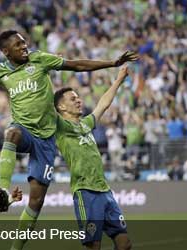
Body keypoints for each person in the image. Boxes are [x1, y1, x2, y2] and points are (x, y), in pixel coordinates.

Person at [0, 30, 138, 250]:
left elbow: (76, 65)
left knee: (36, 202)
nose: (24, 46)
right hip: (25, 130)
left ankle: (15, 247)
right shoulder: (2, 71)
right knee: (11, 134)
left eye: (24, 42)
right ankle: (2, 190)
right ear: (6, 51)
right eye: (18, 44)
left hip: (46, 141)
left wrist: (112, 65)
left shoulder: (40, 59)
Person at [54, 65, 131, 250]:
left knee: (125, 244)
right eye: (73, 99)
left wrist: (119, 79)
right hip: (85, 192)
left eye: (78, 97)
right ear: (61, 106)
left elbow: (103, 104)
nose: (79, 100)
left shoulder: (86, 124)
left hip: (105, 191)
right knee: (93, 246)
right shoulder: (60, 126)